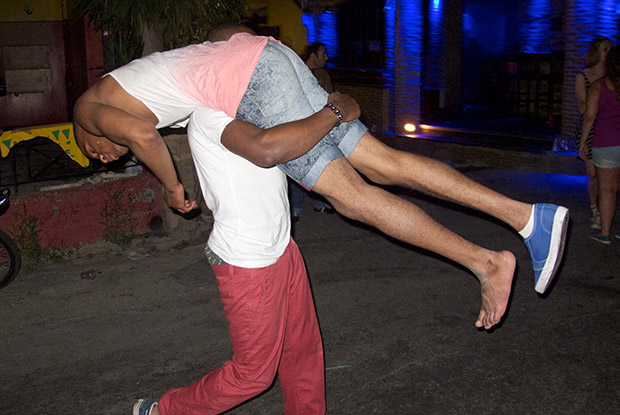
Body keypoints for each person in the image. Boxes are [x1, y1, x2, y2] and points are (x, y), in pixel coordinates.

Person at [73, 29, 569, 331]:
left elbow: (141, 134)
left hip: (254, 81)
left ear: (87, 141)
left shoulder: (90, 110)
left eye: (101, 157)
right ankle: (528, 217)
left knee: (351, 198)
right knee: (383, 163)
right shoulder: (143, 82)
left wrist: (169, 186)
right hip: (269, 61)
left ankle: (485, 263)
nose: (107, 157)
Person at [133, 106, 357, 415]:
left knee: (302, 346)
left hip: (281, 246)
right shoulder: (212, 113)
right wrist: (332, 111)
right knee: (253, 374)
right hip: (247, 261)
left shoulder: (249, 104)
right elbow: (269, 148)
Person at [289, 41, 335, 219]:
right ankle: (295, 206)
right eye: (322, 53)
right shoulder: (295, 71)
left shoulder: (323, 75)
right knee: (294, 165)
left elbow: (327, 100)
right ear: (312, 55)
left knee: (319, 165)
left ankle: (320, 202)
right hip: (297, 124)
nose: (327, 57)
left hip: (318, 126)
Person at [580, 45, 620, 244]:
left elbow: (589, 116)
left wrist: (583, 141)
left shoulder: (599, 86)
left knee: (606, 189)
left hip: (605, 142)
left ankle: (605, 232)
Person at [575, 36, 612, 230]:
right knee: (593, 173)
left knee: (607, 173)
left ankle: (605, 209)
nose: (609, 52)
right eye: (606, 49)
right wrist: (596, 98)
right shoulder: (583, 76)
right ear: (596, 51)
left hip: (609, 126)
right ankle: (595, 209)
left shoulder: (612, 76)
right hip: (591, 128)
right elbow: (582, 107)